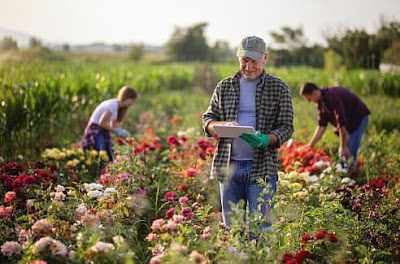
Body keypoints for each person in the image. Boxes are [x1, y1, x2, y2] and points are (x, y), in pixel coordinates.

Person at [202, 36, 294, 234]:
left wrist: (265, 139)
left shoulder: (278, 88)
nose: (249, 67)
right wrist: (222, 126)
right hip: (228, 168)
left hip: (261, 168)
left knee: (259, 230)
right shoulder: (224, 86)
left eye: (254, 61)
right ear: (238, 58)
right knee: (232, 231)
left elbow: (287, 127)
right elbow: (208, 120)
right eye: (245, 61)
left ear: (265, 58)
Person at [299, 82, 370, 170]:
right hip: (348, 123)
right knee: (343, 153)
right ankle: (345, 174)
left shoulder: (333, 96)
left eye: (309, 99)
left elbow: (342, 124)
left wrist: (344, 147)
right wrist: (310, 145)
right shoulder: (321, 103)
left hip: (358, 119)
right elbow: (321, 126)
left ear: (314, 93)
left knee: (348, 152)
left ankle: (350, 177)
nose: (310, 102)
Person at [82, 86, 137, 162]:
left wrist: (121, 132)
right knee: (101, 150)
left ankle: (108, 171)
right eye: (132, 100)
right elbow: (101, 122)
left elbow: (114, 125)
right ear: (127, 97)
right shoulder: (113, 105)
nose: (133, 103)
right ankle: (100, 170)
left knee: (110, 152)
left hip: (103, 129)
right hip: (96, 128)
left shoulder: (122, 108)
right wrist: (117, 131)